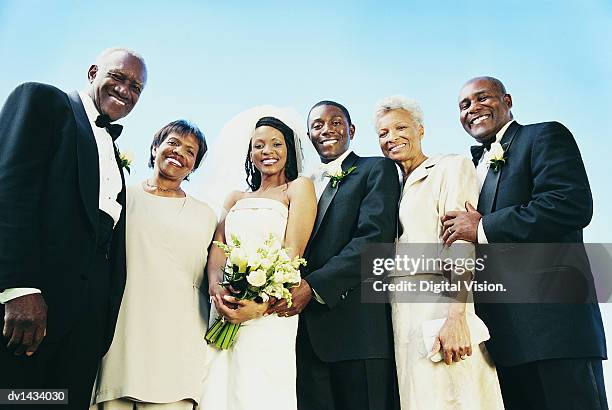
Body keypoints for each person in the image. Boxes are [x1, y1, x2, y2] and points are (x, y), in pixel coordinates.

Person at [441, 76, 607, 409]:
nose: (473, 108)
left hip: (555, 334)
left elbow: (570, 203)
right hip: (503, 342)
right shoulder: (471, 169)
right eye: (464, 105)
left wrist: (484, 226)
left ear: (507, 100)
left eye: (482, 98)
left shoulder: (543, 135)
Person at [0, 48, 147, 408]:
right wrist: (19, 288)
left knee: (61, 401)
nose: (126, 91)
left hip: (87, 319)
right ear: (93, 72)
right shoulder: (43, 101)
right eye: (118, 78)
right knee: (19, 399)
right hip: (36, 305)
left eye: (136, 87)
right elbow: (10, 190)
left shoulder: (112, 150)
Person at [373, 95, 504, 409]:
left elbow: (462, 242)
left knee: (458, 397)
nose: (391, 138)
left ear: (421, 130)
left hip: (440, 304)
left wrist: (457, 316)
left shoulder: (449, 167)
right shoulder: (387, 185)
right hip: (400, 311)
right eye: (382, 133)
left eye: (400, 127)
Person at [269, 100, 400, 410]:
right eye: (317, 125)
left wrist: (313, 287)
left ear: (351, 130)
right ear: (309, 135)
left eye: (336, 122)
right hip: (304, 337)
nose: (327, 129)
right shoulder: (300, 186)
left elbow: (374, 241)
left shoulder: (376, 169)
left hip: (358, 333)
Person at [90, 120, 215, 409]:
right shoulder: (121, 197)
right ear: (155, 147)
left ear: (194, 166)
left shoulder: (206, 214)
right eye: (172, 143)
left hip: (180, 337)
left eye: (190, 151)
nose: (179, 152)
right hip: (122, 332)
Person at [200, 115, 317, 410]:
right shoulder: (236, 197)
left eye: (276, 144)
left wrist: (260, 304)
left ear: (288, 149)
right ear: (250, 154)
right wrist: (216, 287)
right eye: (259, 145)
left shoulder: (298, 188)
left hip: (269, 311)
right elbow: (219, 247)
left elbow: (293, 249)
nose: (268, 151)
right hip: (226, 304)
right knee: (218, 385)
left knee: (261, 389)